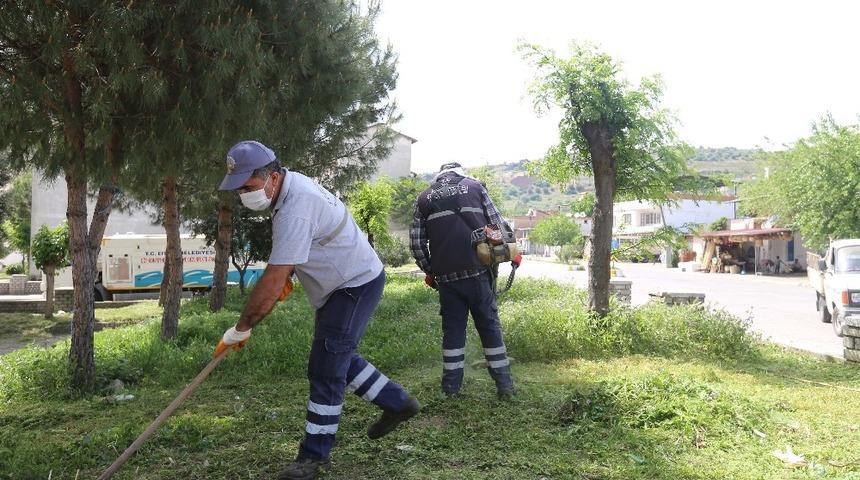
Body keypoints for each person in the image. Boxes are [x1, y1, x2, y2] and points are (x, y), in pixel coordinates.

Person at [215, 140, 420, 480]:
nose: (243, 195)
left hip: (352, 284)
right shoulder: (288, 190)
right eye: (239, 190)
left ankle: (313, 457)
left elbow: (273, 276)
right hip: (341, 284)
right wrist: (288, 274)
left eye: (248, 187)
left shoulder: (294, 207)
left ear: (273, 177)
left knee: (326, 367)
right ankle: (398, 403)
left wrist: (242, 327)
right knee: (337, 356)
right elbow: (301, 249)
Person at [410, 162, 515, 399]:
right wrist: (506, 253)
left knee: (453, 333)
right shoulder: (475, 187)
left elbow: (416, 244)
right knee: (489, 328)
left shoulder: (423, 198)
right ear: (460, 173)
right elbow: (498, 225)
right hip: (478, 272)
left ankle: (450, 390)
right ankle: (505, 387)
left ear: (439, 176)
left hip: (447, 279)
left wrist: (432, 271)